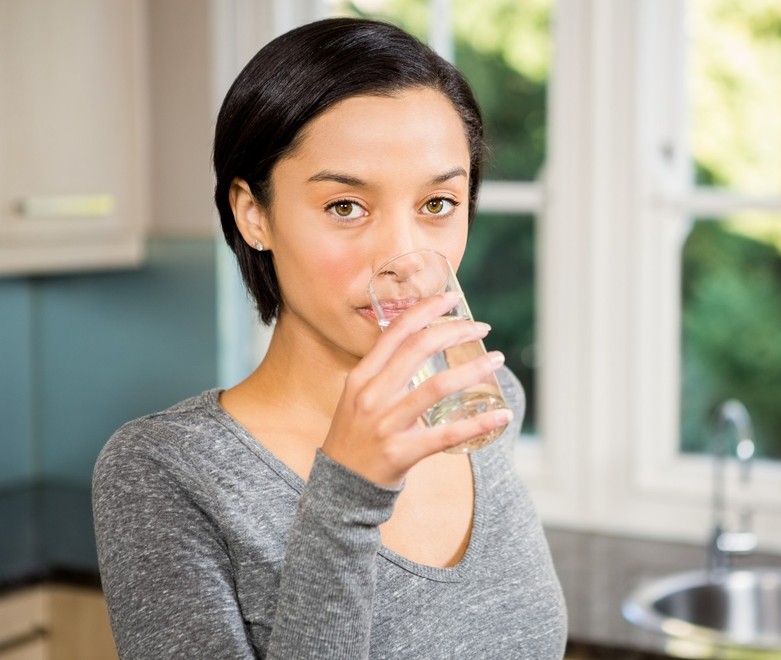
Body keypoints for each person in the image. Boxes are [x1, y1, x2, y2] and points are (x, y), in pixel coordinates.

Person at [92, 17, 567, 659]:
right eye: (346, 207)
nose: (401, 257)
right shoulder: (164, 473)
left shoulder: (481, 405)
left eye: (437, 205)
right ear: (253, 213)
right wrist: (347, 494)